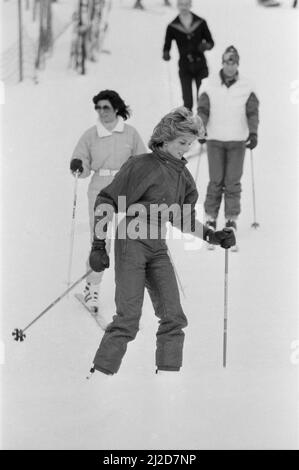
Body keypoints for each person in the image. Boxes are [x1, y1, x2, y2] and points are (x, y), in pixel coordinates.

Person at [87, 107, 236, 377]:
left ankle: (168, 375)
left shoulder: (184, 178)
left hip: (157, 245)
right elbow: (107, 200)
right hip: (131, 238)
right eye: (182, 143)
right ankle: (99, 373)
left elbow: (183, 218)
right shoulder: (141, 165)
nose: (186, 149)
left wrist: (212, 235)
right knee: (128, 318)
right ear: (164, 139)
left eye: (190, 144)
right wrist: (99, 243)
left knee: (173, 316)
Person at [70, 90, 146, 311]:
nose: (102, 112)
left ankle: (131, 292)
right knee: (100, 241)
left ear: (115, 108)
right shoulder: (91, 135)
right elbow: (82, 161)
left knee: (133, 237)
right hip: (100, 187)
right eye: (98, 108)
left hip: (125, 187)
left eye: (106, 107)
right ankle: (92, 288)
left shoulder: (130, 133)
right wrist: (78, 165)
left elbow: (141, 159)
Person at [197, 46, 259, 238]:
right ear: (222, 63)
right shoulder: (208, 84)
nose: (229, 66)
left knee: (232, 181)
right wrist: (200, 128)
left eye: (233, 63)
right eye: (226, 62)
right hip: (215, 139)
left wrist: (253, 132)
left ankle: (231, 218)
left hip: (237, 141)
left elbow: (252, 111)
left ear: (237, 64)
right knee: (216, 180)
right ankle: (210, 216)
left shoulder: (247, 86)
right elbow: (203, 109)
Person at [162, 0, 214, 111]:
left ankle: (202, 126)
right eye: (181, 4)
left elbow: (211, 42)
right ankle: (188, 126)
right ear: (177, 6)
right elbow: (167, 44)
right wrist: (166, 52)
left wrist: (205, 45)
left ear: (190, 5)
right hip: (185, 67)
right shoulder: (172, 26)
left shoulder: (200, 22)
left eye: (186, 4)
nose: (184, 7)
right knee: (187, 101)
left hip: (201, 65)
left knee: (203, 99)